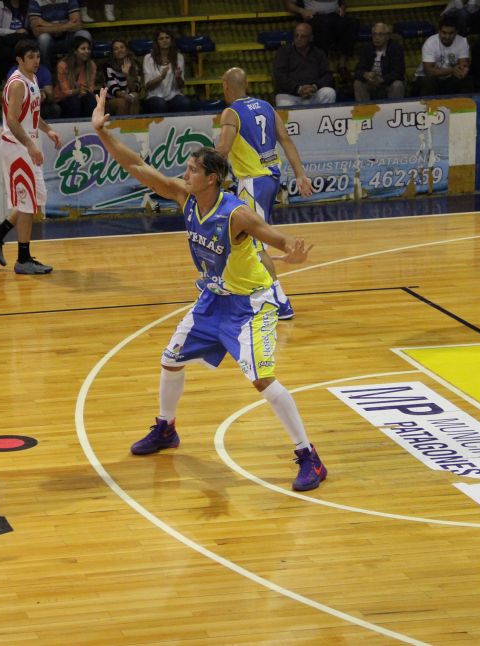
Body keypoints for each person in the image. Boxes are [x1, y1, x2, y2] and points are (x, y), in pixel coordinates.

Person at [89, 87, 327, 492]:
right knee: (170, 359)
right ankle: (166, 429)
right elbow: (137, 166)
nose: (185, 174)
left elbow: (274, 236)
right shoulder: (184, 196)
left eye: (192, 170)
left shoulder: (236, 213)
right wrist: (102, 133)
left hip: (251, 305)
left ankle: (310, 458)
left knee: (262, 380)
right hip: (214, 298)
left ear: (212, 178)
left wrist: (293, 249)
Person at [214, 67, 313, 321]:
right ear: (246, 84)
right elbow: (286, 139)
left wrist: (205, 170)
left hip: (252, 181)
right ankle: (240, 290)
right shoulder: (266, 106)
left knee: (254, 244)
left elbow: (222, 150)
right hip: (271, 178)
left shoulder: (231, 112)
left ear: (226, 86)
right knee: (241, 238)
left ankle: (280, 302)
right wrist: (300, 174)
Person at [0, 39, 62, 275]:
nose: (36, 61)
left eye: (38, 56)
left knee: (32, 200)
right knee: (27, 204)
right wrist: (30, 145)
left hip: (26, 146)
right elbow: (13, 121)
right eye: (31, 57)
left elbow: (31, 114)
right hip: (17, 148)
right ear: (19, 60)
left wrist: (47, 130)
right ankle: (23, 259)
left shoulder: (32, 79)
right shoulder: (17, 84)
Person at [283, 0, 359, 74]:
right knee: (323, 26)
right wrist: (302, 11)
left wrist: (342, 8)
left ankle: (342, 65)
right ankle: (323, 67)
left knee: (352, 23)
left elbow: (342, 2)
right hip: (314, 16)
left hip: (334, 16)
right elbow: (289, 4)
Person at [272, 22, 335, 106]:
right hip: (290, 94)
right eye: (296, 35)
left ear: (311, 38)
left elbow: (327, 75)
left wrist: (314, 87)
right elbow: (279, 75)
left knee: (329, 92)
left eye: (303, 36)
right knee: (283, 103)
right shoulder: (283, 52)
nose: (299, 39)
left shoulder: (319, 53)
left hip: (313, 93)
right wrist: (298, 89)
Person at [415, 15, 473, 96]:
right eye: (444, 33)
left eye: (451, 33)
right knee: (429, 81)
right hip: (430, 78)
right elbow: (428, 71)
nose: (447, 36)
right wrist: (452, 70)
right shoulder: (430, 43)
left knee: (467, 80)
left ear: (456, 32)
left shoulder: (462, 41)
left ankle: (464, 103)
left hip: (450, 79)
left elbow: (463, 65)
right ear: (439, 31)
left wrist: (463, 71)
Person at [28, 0, 91, 70]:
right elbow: (36, 31)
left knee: (84, 35)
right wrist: (66, 26)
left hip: (68, 37)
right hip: (49, 40)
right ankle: (46, 73)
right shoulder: (35, 1)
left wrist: (45, 24)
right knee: (43, 39)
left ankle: (83, 72)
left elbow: (78, 25)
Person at [353, 22, 406, 102]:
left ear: (387, 36)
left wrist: (382, 79)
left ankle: (393, 109)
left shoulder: (396, 49)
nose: (376, 37)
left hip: (387, 83)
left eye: (380, 34)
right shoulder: (367, 48)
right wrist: (365, 74)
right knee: (358, 83)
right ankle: (364, 109)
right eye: (374, 34)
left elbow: (399, 72)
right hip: (371, 83)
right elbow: (358, 70)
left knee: (397, 85)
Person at [142, 29, 190, 113]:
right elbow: (148, 87)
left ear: (171, 40)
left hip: (173, 96)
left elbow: (181, 86)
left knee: (184, 103)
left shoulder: (179, 57)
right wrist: (161, 77)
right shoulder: (148, 58)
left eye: (167, 37)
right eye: (161, 38)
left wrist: (178, 78)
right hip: (154, 96)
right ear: (157, 42)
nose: (165, 40)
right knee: (160, 104)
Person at [0, 0, 30, 93]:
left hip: (19, 41)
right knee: (7, 51)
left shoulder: (27, 6)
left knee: (21, 48)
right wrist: (14, 32)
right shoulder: (1, 6)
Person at [54, 35, 97, 118]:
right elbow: (65, 91)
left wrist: (83, 91)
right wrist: (78, 91)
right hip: (63, 98)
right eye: (83, 49)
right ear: (75, 51)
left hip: (83, 96)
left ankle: (90, 124)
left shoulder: (91, 65)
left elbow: (90, 88)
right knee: (74, 102)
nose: (87, 51)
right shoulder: (63, 65)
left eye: (88, 49)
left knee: (90, 100)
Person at [102, 38, 141, 115]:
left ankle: (133, 122)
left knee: (135, 96)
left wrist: (127, 75)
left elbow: (135, 89)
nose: (119, 50)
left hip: (128, 96)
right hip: (110, 100)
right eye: (116, 49)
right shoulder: (107, 67)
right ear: (113, 53)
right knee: (122, 102)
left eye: (122, 47)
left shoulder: (135, 65)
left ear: (126, 50)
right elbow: (115, 91)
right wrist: (127, 97)